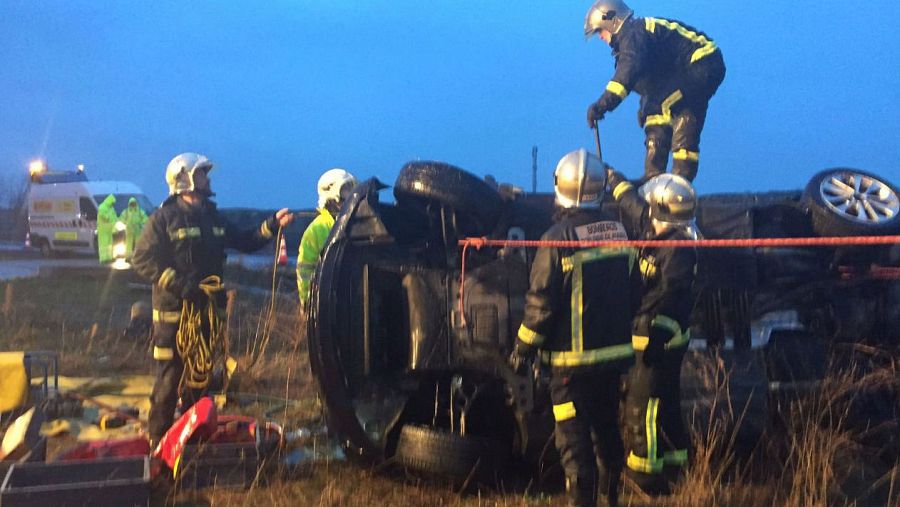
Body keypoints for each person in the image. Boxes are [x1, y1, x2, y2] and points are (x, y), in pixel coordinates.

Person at [132, 152, 294, 446]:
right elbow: (142, 259)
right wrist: (181, 285)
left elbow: (245, 240)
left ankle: (191, 438)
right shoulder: (163, 218)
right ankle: (158, 442)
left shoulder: (212, 217)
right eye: (203, 174)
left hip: (206, 312)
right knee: (169, 379)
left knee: (200, 377)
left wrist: (272, 224)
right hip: (174, 315)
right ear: (185, 179)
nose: (208, 180)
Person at [508, 148, 640, 507]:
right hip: (611, 363)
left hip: (569, 370)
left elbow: (540, 305)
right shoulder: (620, 233)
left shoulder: (556, 238)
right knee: (607, 435)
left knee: (574, 444)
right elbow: (636, 293)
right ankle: (611, 500)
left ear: (560, 187)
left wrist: (522, 351)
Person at [606, 169, 699, 494]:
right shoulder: (658, 228)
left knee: (641, 408)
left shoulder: (678, 250)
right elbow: (634, 205)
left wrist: (657, 337)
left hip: (660, 339)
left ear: (661, 210)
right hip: (655, 336)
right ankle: (676, 473)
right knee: (668, 406)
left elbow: (672, 297)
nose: (647, 213)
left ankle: (644, 479)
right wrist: (614, 180)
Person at [584, 0, 726, 182]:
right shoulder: (634, 41)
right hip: (691, 69)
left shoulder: (633, 34)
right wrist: (645, 107)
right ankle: (661, 177)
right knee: (663, 109)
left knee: (664, 105)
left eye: (600, 31)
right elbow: (653, 85)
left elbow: (625, 76)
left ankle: (671, 177)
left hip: (702, 61)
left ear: (612, 20)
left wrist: (601, 105)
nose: (601, 38)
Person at [297, 168, 357, 308]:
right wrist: (307, 302)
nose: (349, 197)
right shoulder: (316, 230)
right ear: (332, 197)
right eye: (345, 191)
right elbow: (305, 269)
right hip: (326, 302)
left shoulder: (359, 222)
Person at [96, 194, 117, 264]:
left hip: (109, 229)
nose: (113, 204)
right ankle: (103, 259)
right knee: (103, 244)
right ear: (109, 201)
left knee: (109, 244)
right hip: (103, 229)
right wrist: (112, 220)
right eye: (112, 202)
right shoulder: (102, 207)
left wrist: (116, 222)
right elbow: (105, 216)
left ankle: (109, 257)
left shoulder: (111, 208)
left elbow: (114, 217)